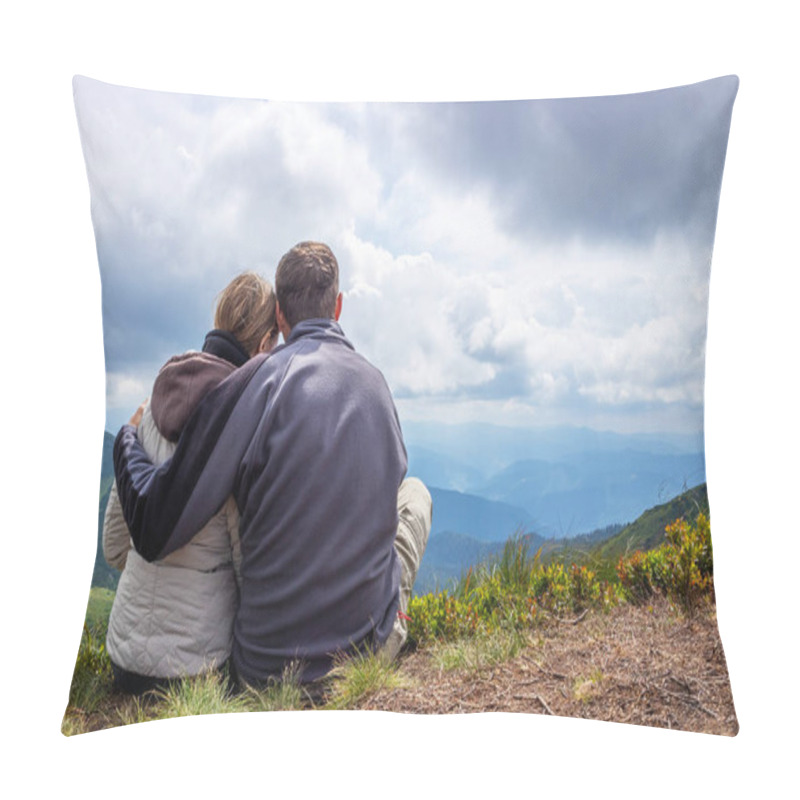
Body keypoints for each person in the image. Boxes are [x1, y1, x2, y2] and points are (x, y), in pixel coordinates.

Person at [113, 241, 431, 688]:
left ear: (280, 315)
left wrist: (128, 438)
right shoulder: (376, 385)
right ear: (337, 306)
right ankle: (388, 618)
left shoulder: (252, 386)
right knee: (413, 494)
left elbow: (156, 524)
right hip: (363, 652)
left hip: (262, 669)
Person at [103, 271, 279, 694]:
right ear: (263, 345)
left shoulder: (149, 408)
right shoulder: (240, 426)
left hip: (123, 660)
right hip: (197, 668)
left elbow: (113, 546)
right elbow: (245, 571)